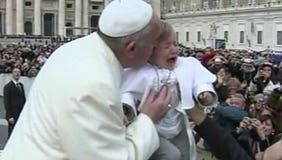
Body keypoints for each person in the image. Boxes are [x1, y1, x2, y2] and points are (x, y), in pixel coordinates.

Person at [2, 1, 171, 160]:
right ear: (132, 47)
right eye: (154, 42)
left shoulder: (73, 49)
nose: (157, 47)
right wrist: (148, 118)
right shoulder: (94, 84)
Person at [121, 22, 217, 160]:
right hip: (153, 127)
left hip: (178, 124)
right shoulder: (138, 72)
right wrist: (125, 108)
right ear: (150, 50)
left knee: (186, 154)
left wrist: (203, 92)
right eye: (167, 46)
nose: (173, 50)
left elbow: (198, 80)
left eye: (175, 44)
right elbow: (127, 91)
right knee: (171, 155)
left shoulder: (185, 64)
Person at [187, 105, 282, 160]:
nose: (262, 126)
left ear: (273, 130)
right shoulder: (248, 133)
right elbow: (227, 142)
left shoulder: (266, 143)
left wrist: (262, 138)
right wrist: (239, 131)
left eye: (267, 124)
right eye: (261, 123)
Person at [3, 67, 26, 138]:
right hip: (13, 115)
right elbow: (7, 102)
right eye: (15, 72)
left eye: (19, 72)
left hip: (20, 114)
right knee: (12, 133)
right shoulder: (8, 86)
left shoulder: (21, 85)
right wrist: (10, 116)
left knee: (20, 133)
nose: (17, 73)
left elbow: (23, 99)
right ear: (12, 74)